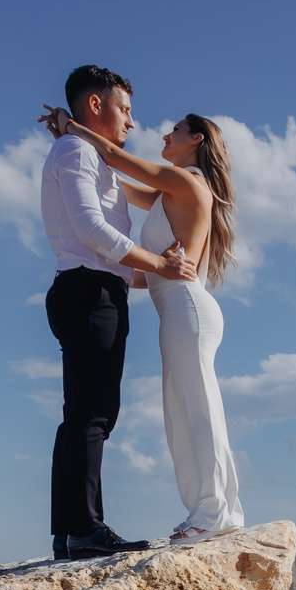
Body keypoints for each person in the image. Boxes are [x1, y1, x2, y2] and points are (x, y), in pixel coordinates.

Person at [44, 104, 244, 543]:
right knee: (185, 410)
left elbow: (115, 159)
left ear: (197, 140)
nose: (163, 137)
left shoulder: (186, 179)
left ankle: (214, 513)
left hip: (187, 309)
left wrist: (69, 126)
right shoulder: (169, 193)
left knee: (196, 409)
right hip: (177, 310)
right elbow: (115, 181)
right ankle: (213, 508)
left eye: (174, 131)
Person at [38, 65, 190, 559]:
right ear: (96, 105)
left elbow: (119, 223)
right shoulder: (77, 151)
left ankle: (71, 531)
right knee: (93, 414)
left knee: (84, 414)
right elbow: (92, 231)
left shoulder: (86, 152)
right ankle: (84, 530)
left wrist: (147, 275)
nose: (132, 121)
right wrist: (162, 265)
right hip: (89, 292)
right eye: (124, 109)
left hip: (92, 289)